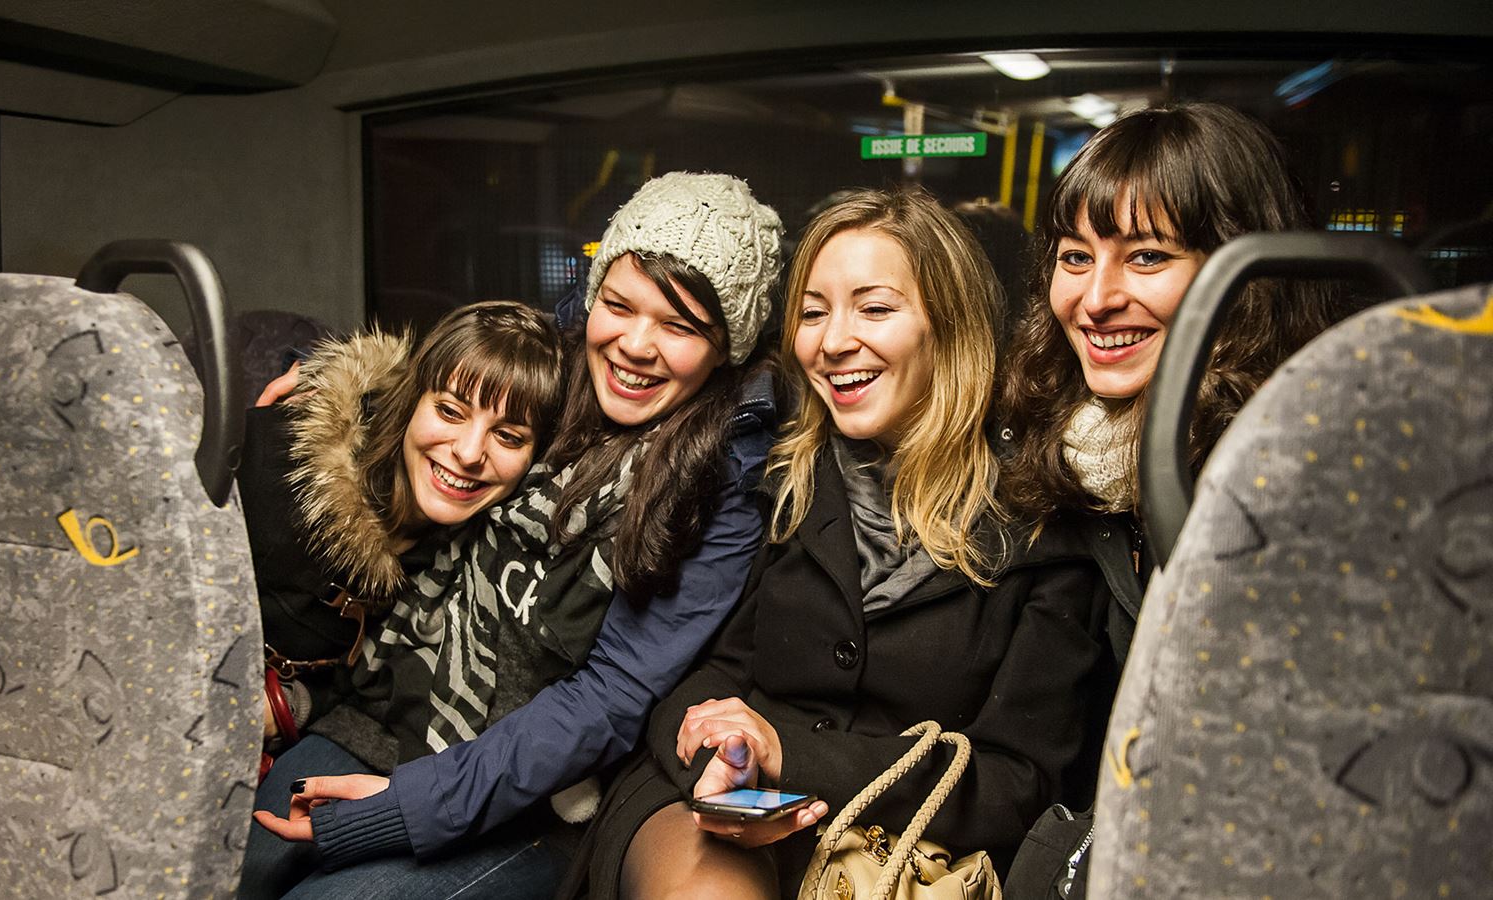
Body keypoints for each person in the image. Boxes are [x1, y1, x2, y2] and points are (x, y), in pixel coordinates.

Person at [243, 171, 786, 899]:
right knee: (208, 869)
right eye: (619, 306)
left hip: (532, 803)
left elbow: (607, 700)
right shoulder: (558, 374)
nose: (635, 345)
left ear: (728, 347)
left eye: (680, 326)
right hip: (381, 717)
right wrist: (329, 390)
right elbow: (446, 391)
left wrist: (402, 809)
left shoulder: (719, 488)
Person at [566, 187, 1109, 899]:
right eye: (813, 312)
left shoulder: (1041, 521)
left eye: (875, 309)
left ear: (949, 327)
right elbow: (702, 676)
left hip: (901, 843)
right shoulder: (782, 473)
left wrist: (793, 757)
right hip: (719, 804)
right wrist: (723, 754)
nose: (830, 341)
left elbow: (1020, 780)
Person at [994, 102, 1361, 660]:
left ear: (1247, 280)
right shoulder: (1035, 447)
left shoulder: (1313, 477)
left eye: (1145, 256)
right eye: (1074, 257)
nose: (1096, 300)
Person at [239, 301, 564, 742]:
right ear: (411, 400)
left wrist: (296, 704)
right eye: (450, 411)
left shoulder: (468, 560)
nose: (469, 453)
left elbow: (356, 674)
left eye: (508, 436)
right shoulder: (274, 463)